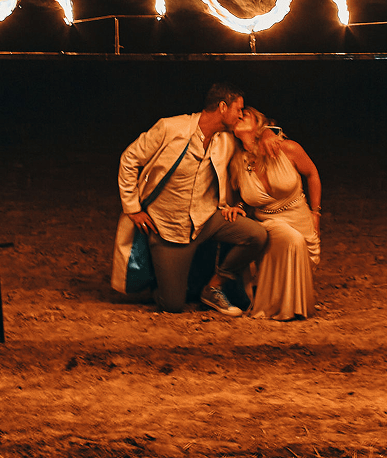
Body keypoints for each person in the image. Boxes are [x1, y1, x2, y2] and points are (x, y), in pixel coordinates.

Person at [113, 83, 268, 316]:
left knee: (256, 235)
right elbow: (129, 159)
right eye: (238, 109)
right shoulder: (170, 127)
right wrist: (133, 208)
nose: (240, 115)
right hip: (167, 227)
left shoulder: (225, 139)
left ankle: (214, 286)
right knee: (173, 304)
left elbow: (257, 133)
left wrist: (266, 133)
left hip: (206, 220)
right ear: (223, 107)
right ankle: (161, 277)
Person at [227, 107, 323, 321]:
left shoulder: (286, 148)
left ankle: (284, 303)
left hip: (300, 217)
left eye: (246, 114)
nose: (240, 116)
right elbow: (243, 196)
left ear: (259, 124)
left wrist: (315, 213)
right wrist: (239, 206)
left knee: (300, 245)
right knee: (292, 240)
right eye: (238, 115)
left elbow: (312, 173)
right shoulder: (236, 163)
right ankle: (286, 308)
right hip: (268, 221)